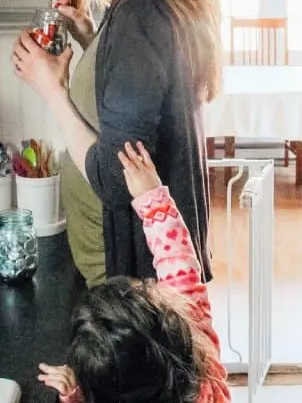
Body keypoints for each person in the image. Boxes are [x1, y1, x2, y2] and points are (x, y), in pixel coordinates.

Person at [11, 0, 221, 287]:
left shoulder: (139, 14)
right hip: (147, 269)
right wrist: (88, 32)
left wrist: (53, 91)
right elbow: (141, 90)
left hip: (128, 278)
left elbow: (113, 178)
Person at [37, 141, 230, 402]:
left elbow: (177, 260)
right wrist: (152, 197)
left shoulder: (190, 326)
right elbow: (177, 261)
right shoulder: (195, 334)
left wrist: (74, 397)